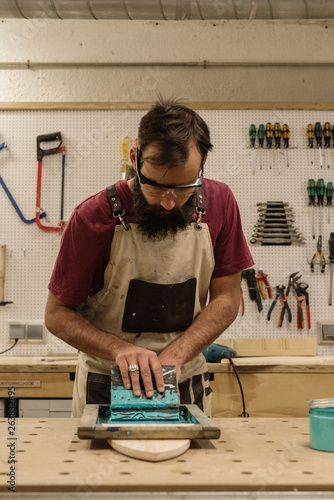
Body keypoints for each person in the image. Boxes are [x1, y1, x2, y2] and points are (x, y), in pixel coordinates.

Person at [45, 98, 254, 418]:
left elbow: (226, 299)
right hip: (106, 382)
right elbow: (57, 314)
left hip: (184, 380)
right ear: (135, 158)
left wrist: (178, 353)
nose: (169, 203)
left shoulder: (221, 203)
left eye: (184, 188)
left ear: (202, 166)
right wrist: (119, 350)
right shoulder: (93, 217)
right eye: (156, 187)